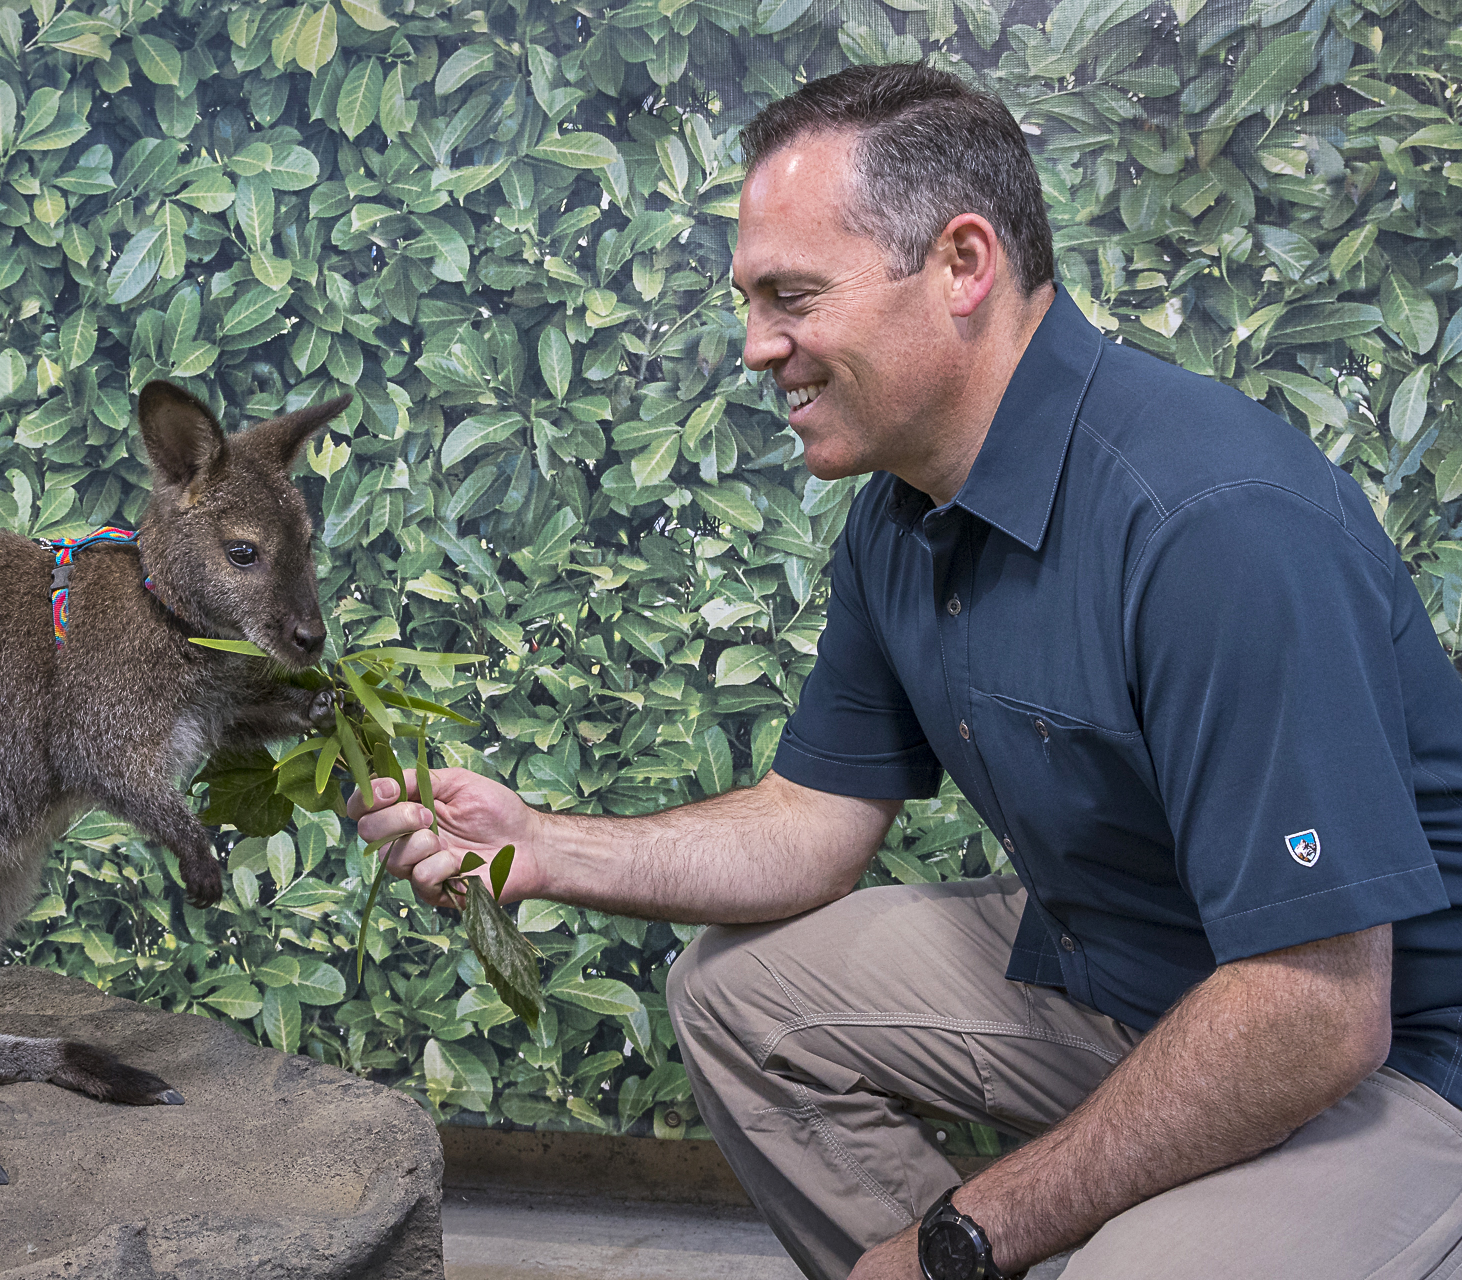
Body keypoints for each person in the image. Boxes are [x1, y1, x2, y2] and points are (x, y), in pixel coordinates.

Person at [353, 61, 1462, 1280]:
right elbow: (812, 823)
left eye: (791, 296)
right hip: (1131, 975)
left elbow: (1316, 1010)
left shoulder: (1212, 523)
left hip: (1390, 1053)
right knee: (739, 996)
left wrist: (963, 1235)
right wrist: (538, 842)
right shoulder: (899, 515)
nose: (754, 347)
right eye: (748, 301)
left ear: (962, 265)